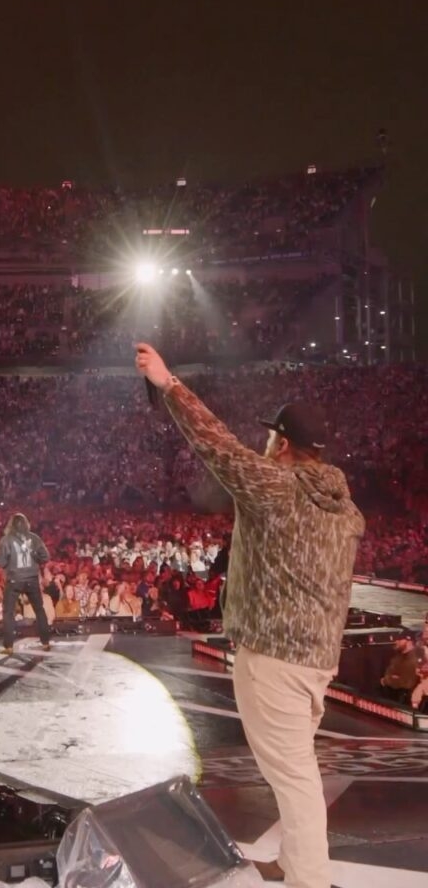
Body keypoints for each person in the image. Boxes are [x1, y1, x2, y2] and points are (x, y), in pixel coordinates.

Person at [135, 343, 365, 888]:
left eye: (271, 438)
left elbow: (219, 446)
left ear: (282, 443)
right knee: (295, 766)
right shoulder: (347, 510)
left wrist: (170, 386)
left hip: (274, 659)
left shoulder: (277, 490)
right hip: (316, 660)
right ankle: (292, 863)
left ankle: (311, 879)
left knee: (293, 774)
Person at [0, 512, 51, 655]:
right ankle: (45, 642)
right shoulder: (34, 538)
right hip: (31, 578)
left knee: (8, 612)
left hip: (14, 579)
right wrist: (34, 557)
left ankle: (9, 646)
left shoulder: (6, 540)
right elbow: (45, 557)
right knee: (39, 609)